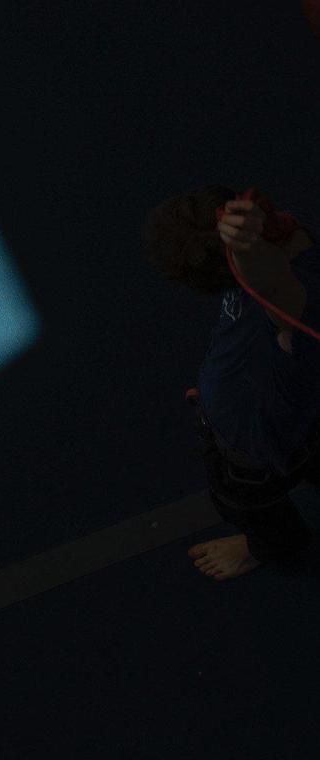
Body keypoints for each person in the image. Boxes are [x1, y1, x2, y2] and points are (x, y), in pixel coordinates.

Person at [145, 186, 320, 580]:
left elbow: (278, 290)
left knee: (245, 503)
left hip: (255, 444)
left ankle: (269, 546)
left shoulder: (292, 308)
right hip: (294, 407)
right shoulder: (288, 234)